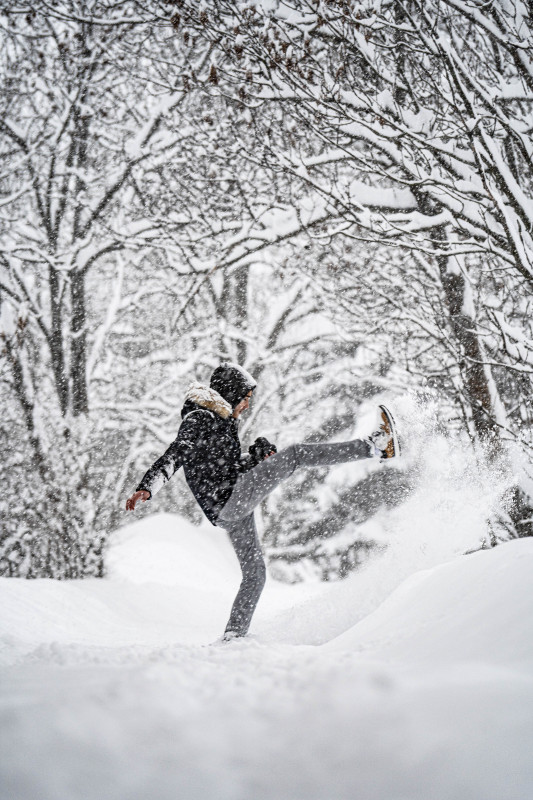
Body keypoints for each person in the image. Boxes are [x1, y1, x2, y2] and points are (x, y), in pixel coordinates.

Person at [126, 362, 399, 641]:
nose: (246, 405)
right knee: (296, 455)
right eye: (244, 398)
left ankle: (234, 636)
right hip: (232, 501)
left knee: (255, 575)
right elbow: (176, 453)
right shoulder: (199, 419)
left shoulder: (222, 423)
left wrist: (256, 456)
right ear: (230, 393)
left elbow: (226, 470)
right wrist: (147, 487)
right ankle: (375, 446)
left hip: (229, 508)